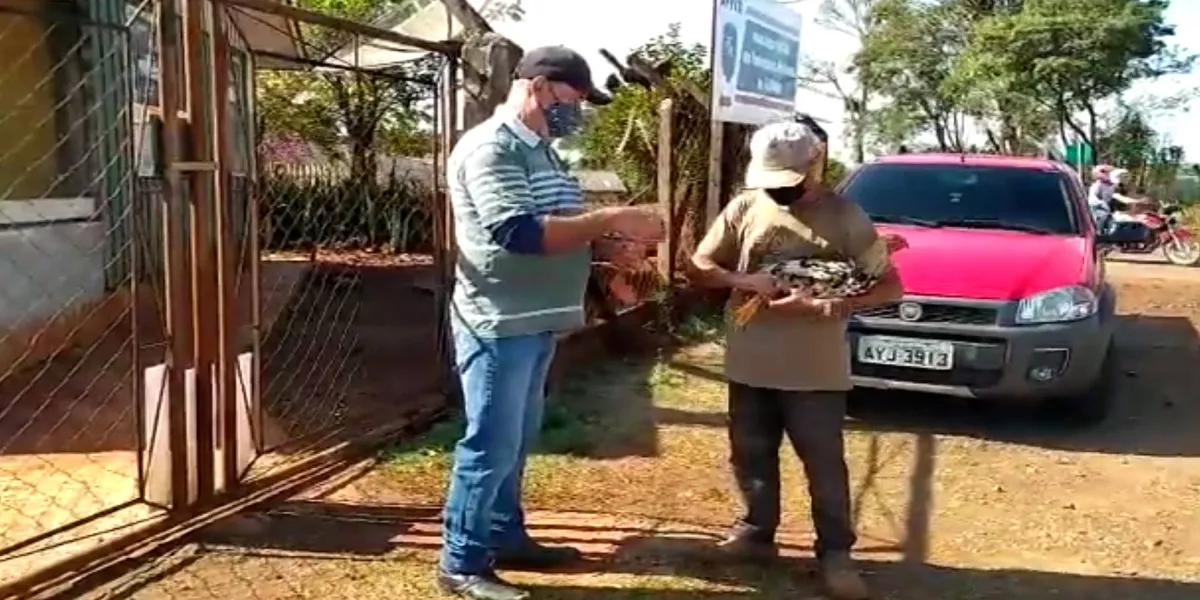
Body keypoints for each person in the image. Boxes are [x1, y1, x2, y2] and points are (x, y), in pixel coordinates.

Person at [437, 46, 666, 600]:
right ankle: (460, 564)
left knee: (515, 442)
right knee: (490, 445)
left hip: (537, 320)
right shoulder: (493, 149)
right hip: (499, 322)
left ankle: (505, 537)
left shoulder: (542, 152)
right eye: (572, 98)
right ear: (538, 87)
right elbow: (518, 232)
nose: (576, 112)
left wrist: (610, 248)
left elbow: (560, 224)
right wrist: (610, 218)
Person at [690, 120, 903, 600]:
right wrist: (743, 281)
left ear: (814, 166)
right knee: (750, 452)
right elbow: (700, 264)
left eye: (789, 181)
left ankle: (835, 553)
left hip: (814, 369)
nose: (779, 191)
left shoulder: (846, 216)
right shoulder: (745, 206)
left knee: (822, 462)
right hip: (749, 361)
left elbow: (892, 287)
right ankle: (755, 533)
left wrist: (825, 304)